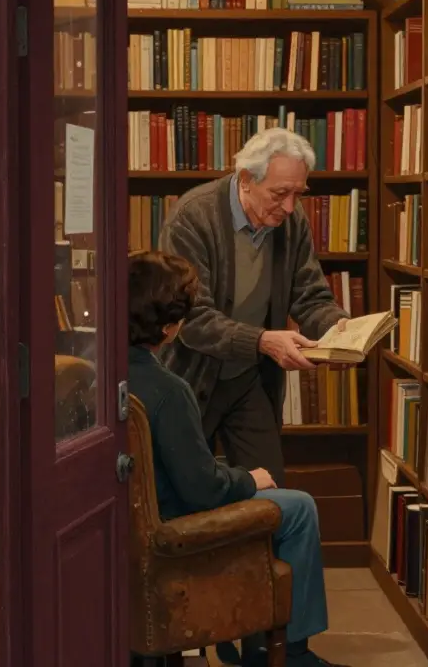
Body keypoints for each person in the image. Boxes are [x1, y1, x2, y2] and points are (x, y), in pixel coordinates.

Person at [126, 251, 344, 667]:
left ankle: (248, 633)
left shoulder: (100, 372)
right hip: (171, 526)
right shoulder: (169, 391)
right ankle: (289, 648)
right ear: (171, 329)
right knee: (297, 507)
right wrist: (249, 478)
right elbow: (202, 489)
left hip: (137, 520)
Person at [159, 128, 349, 487]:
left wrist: (339, 330)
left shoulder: (290, 221)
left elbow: (310, 296)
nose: (290, 207)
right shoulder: (192, 217)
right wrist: (263, 341)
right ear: (246, 179)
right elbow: (192, 318)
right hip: (192, 376)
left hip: (248, 378)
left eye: (298, 194)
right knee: (184, 493)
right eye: (280, 194)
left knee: (271, 490)